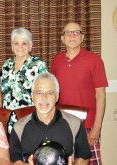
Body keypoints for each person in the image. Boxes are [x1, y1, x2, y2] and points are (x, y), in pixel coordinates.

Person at [51, 22, 108, 165]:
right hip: (63, 124)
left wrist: (97, 127)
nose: (72, 35)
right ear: (62, 38)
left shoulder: (95, 60)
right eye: (68, 32)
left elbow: (101, 95)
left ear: (82, 37)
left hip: (87, 126)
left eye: (76, 32)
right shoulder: (56, 61)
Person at [9, 72, 91, 165]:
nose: (44, 97)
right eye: (39, 92)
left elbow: (84, 158)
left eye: (50, 93)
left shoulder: (74, 124)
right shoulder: (19, 127)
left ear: (57, 96)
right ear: (32, 96)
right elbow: (15, 161)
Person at [0, 27, 48, 133]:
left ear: (30, 46)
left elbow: (46, 93)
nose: (20, 47)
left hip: (32, 120)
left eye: (24, 43)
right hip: (8, 121)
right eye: (16, 43)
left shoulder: (39, 64)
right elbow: (1, 93)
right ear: (12, 46)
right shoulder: (6, 65)